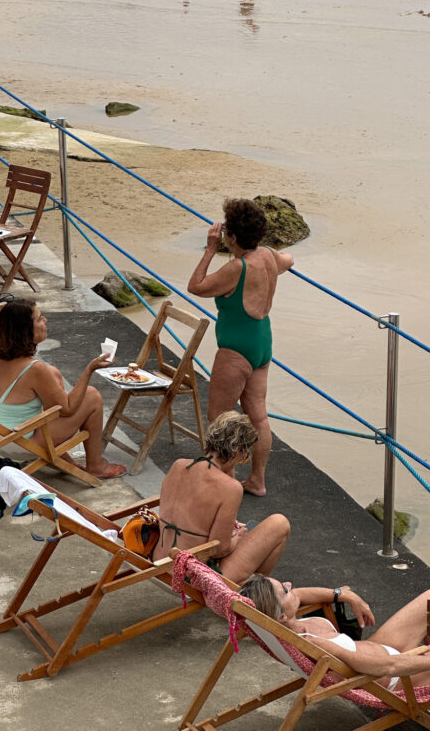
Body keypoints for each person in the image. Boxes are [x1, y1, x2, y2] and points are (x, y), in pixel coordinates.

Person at [238, 575, 430, 731]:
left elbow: (302, 594)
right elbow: (385, 668)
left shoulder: (284, 624)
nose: (291, 584)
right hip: (394, 679)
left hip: (386, 647)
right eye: (285, 590)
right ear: (281, 615)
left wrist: (344, 595)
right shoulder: (315, 643)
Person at [188, 198, 294, 496]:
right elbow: (289, 260)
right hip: (261, 342)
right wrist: (278, 259)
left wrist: (210, 249)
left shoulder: (237, 267)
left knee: (219, 416)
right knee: (258, 416)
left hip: (236, 348)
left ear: (231, 237)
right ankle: (257, 481)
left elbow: (196, 286)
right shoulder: (269, 256)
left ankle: (227, 480)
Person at [0, 300, 127, 479]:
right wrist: (89, 369)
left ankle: (61, 457)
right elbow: (67, 410)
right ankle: (96, 465)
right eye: (39, 319)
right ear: (26, 330)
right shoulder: (35, 369)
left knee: (53, 374)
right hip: (21, 444)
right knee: (92, 396)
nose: (45, 320)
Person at [152, 411, 289, 583]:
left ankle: (257, 587)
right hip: (189, 576)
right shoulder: (230, 488)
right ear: (237, 450)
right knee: (279, 523)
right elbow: (220, 549)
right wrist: (238, 538)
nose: (242, 460)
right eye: (245, 456)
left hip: (159, 562)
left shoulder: (178, 465)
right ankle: (255, 590)